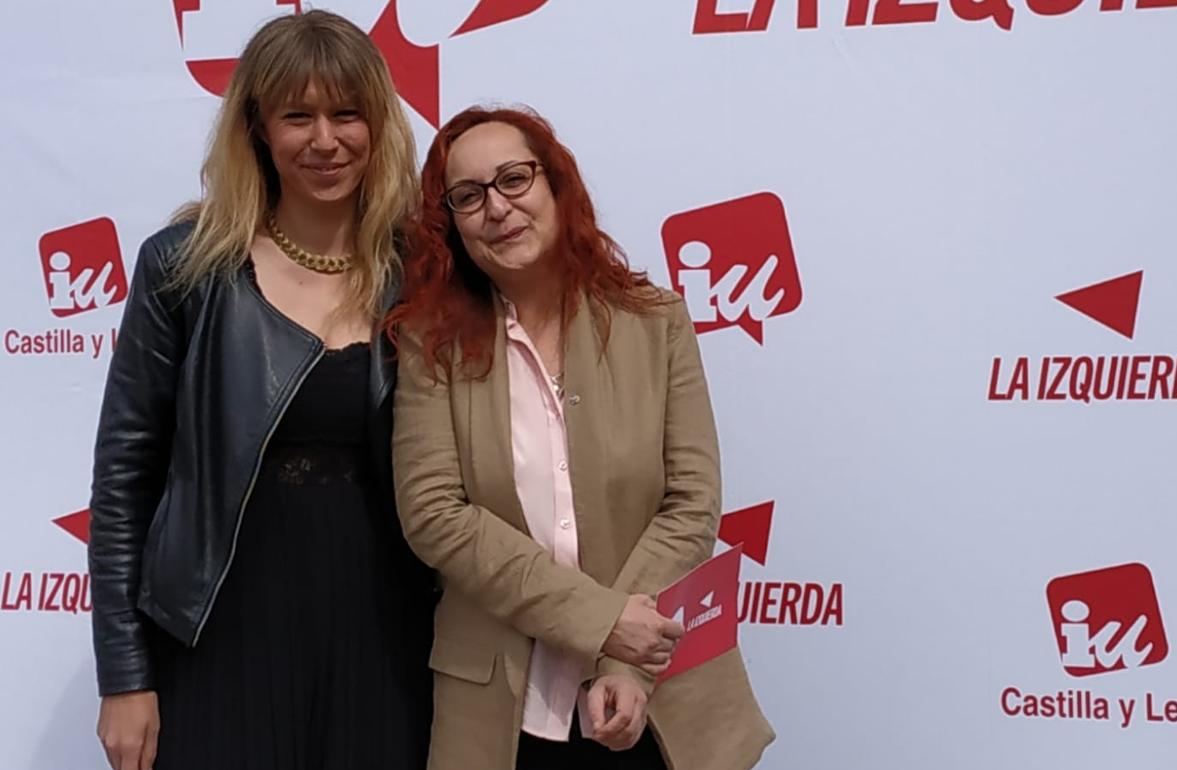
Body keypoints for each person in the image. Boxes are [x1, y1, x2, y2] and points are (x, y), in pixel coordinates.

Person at [88, 11, 435, 770]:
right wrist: (125, 675)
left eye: (347, 114)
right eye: (297, 116)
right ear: (256, 127)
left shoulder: (423, 271)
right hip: (218, 629)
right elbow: (123, 484)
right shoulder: (184, 268)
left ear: (379, 124)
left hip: (389, 631)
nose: (325, 140)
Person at [389, 106, 774, 770]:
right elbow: (433, 514)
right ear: (450, 223)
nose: (497, 208)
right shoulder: (430, 345)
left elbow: (691, 504)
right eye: (468, 196)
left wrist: (623, 660)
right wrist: (602, 622)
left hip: (659, 695)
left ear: (555, 184)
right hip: (501, 714)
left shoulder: (655, 321)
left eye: (514, 179)